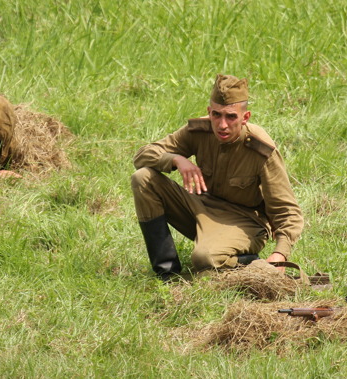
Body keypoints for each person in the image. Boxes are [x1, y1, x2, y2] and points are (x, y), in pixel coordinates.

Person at [130, 74, 304, 280]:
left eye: (231, 116)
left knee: (206, 259)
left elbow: (288, 210)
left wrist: (279, 253)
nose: (222, 125)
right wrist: (176, 159)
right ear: (209, 112)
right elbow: (142, 156)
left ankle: (249, 261)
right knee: (143, 178)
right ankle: (167, 273)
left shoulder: (261, 150)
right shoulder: (199, 130)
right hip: (201, 206)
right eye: (216, 115)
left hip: (244, 221)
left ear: (245, 117)